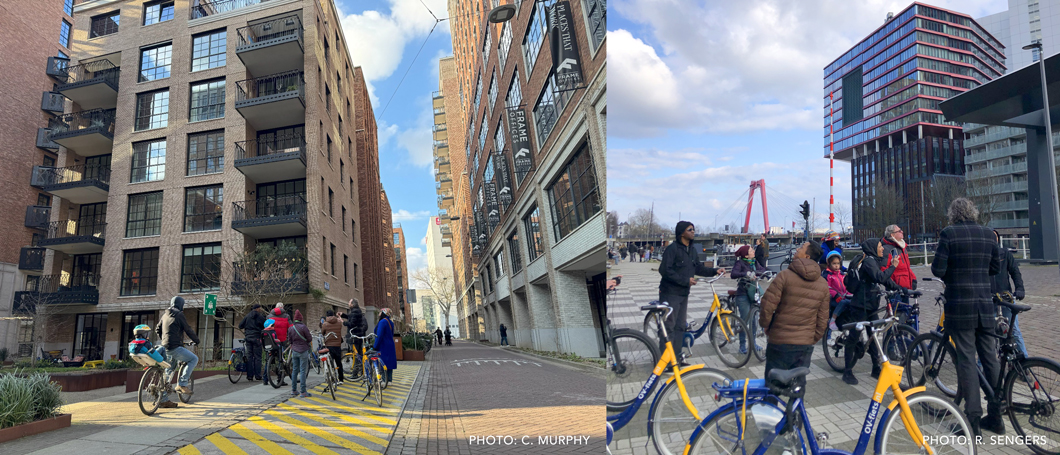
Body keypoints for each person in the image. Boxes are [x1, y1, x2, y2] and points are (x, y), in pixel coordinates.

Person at [932, 198, 1003, 437]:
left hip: (960, 307)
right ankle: (996, 416)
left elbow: (938, 270)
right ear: (973, 212)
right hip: (985, 305)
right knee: (990, 358)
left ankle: (972, 422)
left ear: (953, 214)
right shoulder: (986, 233)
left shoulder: (948, 233)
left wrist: (954, 271)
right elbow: (995, 267)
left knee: (967, 361)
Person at [759, 241, 830, 377]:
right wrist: (811, 338)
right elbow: (823, 319)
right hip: (804, 345)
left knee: (773, 385)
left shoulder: (784, 276)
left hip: (779, 340)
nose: (797, 249)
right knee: (797, 386)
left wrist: (766, 326)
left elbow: (767, 305)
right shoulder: (823, 284)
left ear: (807, 257)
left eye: (801, 248)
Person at [659, 221, 725, 366]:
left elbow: (699, 269)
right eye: (690, 229)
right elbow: (664, 270)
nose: (693, 232)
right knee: (668, 327)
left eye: (694, 229)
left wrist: (715, 271)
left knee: (680, 326)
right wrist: (684, 280)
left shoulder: (692, 250)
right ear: (682, 232)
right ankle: (664, 362)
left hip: (683, 294)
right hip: (670, 293)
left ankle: (676, 359)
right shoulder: (672, 249)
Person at [840, 238, 901, 385]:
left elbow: (884, 280)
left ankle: (875, 368)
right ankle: (847, 371)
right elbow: (879, 277)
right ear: (873, 248)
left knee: (873, 336)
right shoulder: (868, 262)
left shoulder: (874, 261)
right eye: (880, 247)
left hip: (871, 305)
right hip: (860, 306)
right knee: (854, 337)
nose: (882, 249)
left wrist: (900, 289)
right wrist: (893, 267)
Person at [155, 296, 200, 408]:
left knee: (168, 373)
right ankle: (182, 384)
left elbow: (157, 329)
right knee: (194, 359)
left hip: (165, 346)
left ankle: (163, 399)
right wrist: (197, 340)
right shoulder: (179, 314)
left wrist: (165, 339)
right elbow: (188, 329)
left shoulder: (165, 314)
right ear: (181, 305)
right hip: (175, 347)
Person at [992, 229, 1027, 356]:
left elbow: (1015, 272)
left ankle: (1025, 362)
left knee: (1014, 331)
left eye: (995, 236)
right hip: (989, 298)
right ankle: (983, 365)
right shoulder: (983, 256)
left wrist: (1020, 288)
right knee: (988, 334)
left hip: (1005, 297)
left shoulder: (1005, 254)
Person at [730, 245, 767, 354]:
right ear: (746, 255)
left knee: (754, 320)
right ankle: (742, 345)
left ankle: (753, 343)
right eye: (751, 250)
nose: (753, 251)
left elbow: (762, 270)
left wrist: (765, 273)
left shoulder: (754, 262)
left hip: (753, 294)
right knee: (744, 320)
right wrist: (746, 274)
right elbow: (733, 274)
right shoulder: (740, 263)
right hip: (743, 295)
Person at [881, 225, 917, 292]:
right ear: (892, 235)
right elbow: (884, 270)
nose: (902, 232)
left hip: (905, 288)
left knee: (906, 303)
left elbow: (907, 268)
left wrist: (913, 279)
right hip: (895, 289)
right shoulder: (887, 249)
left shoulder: (902, 248)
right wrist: (893, 286)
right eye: (899, 231)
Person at [823, 252, 853, 331]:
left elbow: (846, 286)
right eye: (834, 263)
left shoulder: (842, 274)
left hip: (843, 297)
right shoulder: (828, 275)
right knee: (843, 303)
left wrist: (850, 293)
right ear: (829, 264)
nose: (836, 266)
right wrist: (835, 295)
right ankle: (832, 320)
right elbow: (827, 287)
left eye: (838, 263)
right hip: (833, 298)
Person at [286, 310, 312, 397]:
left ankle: (293, 390)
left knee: (294, 371)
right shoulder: (304, 327)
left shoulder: (290, 328)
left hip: (294, 351)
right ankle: (303, 391)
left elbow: (289, 340)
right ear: (301, 319)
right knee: (302, 371)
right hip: (303, 350)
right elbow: (309, 338)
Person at [238, 304, 267, 382]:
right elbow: (265, 325)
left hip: (248, 338)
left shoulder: (247, 316)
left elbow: (240, 326)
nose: (260, 309)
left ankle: (249, 376)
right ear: (257, 308)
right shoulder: (260, 316)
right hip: (257, 338)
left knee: (249, 357)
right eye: (259, 308)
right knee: (257, 357)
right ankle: (258, 375)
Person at [265, 307, 291, 386]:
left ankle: (265, 379)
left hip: (271, 340)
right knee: (281, 359)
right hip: (281, 340)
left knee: (269, 359)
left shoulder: (269, 317)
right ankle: (280, 379)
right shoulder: (286, 316)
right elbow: (290, 327)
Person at [321, 310, 345, 384]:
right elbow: (340, 328)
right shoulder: (339, 323)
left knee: (331, 363)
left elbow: (322, 333)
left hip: (329, 345)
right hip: (337, 345)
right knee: (339, 362)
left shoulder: (325, 324)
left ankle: (334, 379)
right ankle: (341, 379)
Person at [373, 308, 397, 383]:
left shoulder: (382, 322)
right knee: (389, 363)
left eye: (380, 312)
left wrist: (375, 346)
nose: (379, 313)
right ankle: (389, 380)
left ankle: (383, 380)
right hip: (390, 345)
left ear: (383, 313)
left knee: (382, 362)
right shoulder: (390, 322)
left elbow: (379, 336)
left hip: (383, 345)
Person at [344, 299, 367, 377]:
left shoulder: (355, 312)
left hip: (355, 336)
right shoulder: (357, 311)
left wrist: (343, 322)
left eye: (349, 302)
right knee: (359, 354)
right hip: (358, 336)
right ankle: (361, 371)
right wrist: (343, 315)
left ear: (352, 304)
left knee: (357, 355)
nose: (348, 303)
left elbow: (352, 323)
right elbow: (351, 317)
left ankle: (355, 374)